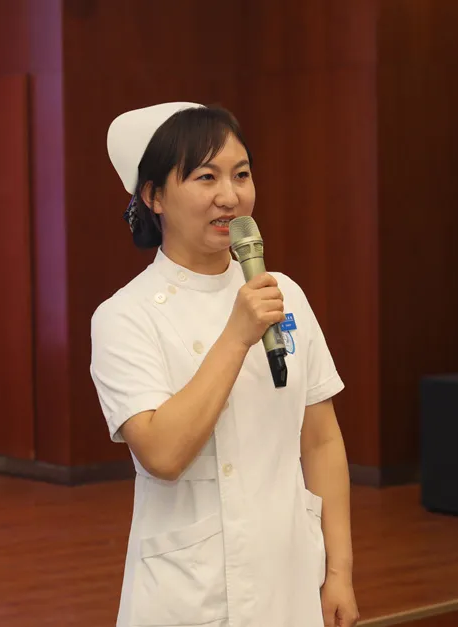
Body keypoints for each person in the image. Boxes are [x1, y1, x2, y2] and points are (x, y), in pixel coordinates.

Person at [91, 102, 359, 627]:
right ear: (154, 196)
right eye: (205, 177)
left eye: (241, 174)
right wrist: (236, 336)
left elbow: (321, 441)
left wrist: (340, 572)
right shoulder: (125, 315)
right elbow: (162, 454)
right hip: (190, 590)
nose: (230, 197)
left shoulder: (284, 294)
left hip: (289, 574)